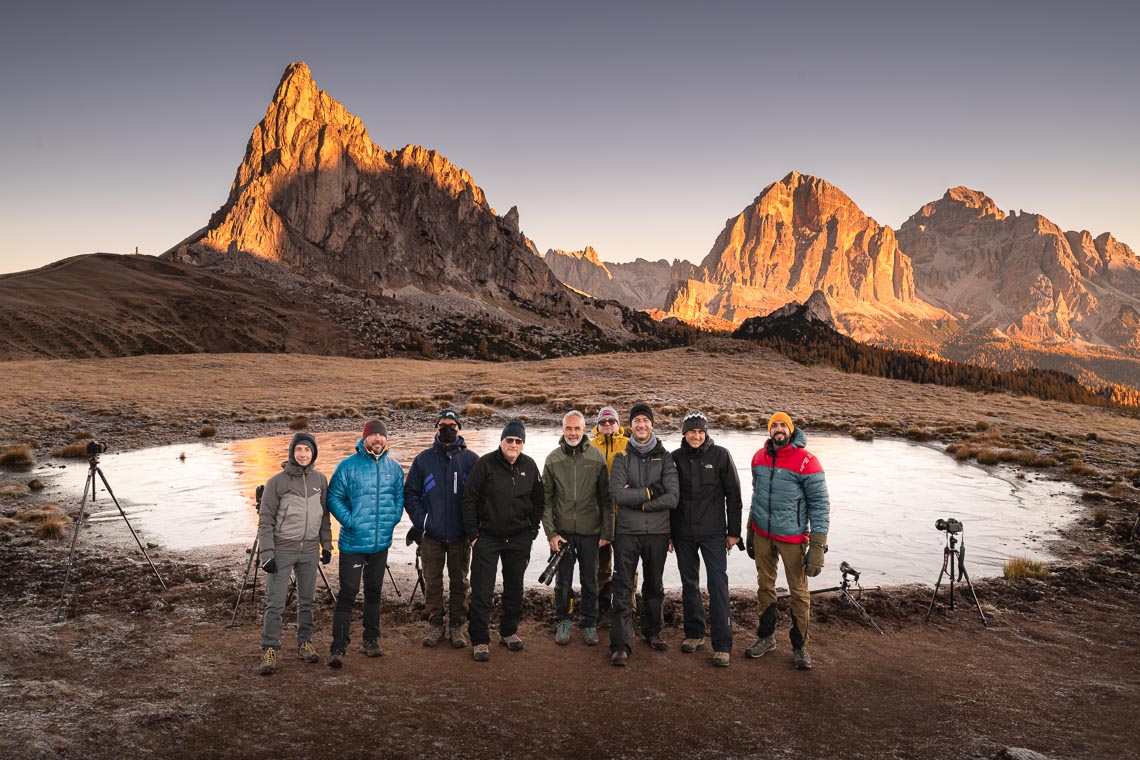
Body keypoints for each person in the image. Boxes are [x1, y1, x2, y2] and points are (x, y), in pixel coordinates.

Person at [746, 412, 830, 670]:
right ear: (769, 430)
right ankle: (766, 638)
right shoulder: (759, 457)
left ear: (791, 430)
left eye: (783, 425)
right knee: (764, 586)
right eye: (774, 425)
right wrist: (750, 529)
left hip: (793, 537)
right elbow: (756, 494)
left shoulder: (807, 461)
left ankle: (800, 647)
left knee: (799, 593)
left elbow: (820, 505)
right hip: (763, 534)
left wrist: (817, 546)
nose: (779, 429)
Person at [462, 417, 544, 662]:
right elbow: (468, 500)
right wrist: (473, 535)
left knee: (514, 589)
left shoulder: (529, 466)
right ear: (501, 441)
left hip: (519, 538)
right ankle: (479, 640)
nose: (514, 444)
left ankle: (509, 632)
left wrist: (532, 532)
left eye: (519, 441)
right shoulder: (484, 464)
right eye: (510, 440)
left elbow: (539, 501)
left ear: (523, 444)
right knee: (482, 590)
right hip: (487, 537)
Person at [326, 419, 405, 668]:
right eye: (374, 436)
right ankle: (338, 647)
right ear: (365, 439)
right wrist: (350, 521)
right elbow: (333, 498)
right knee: (348, 593)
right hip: (352, 544)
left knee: (374, 592)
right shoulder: (347, 466)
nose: (378, 439)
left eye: (382, 436)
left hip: (380, 544)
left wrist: (392, 519)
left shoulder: (394, 467)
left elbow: (398, 498)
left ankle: (371, 640)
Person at [608, 403, 679, 666]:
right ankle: (621, 644)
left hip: (658, 532)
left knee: (654, 585)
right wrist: (650, 493)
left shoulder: (666, 457)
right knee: (623, 587)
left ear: (652, 424)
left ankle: (653, 631)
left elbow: (672, 497)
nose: (641, 425)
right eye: (636, 420)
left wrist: (636, 501)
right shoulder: (622, 458)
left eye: (645, 421)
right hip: (627, 532)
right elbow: (617, 494)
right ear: (630, 426)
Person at [257, 432, 333, 675]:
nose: (303, 454)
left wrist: (327, 545)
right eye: (298, 449)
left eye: (307, 450)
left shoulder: (320, 480)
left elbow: (324, 517)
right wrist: (267, 553)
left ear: (313, 454)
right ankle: (270, 649)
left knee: (307, 600)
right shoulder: (276, 482)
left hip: (310, 549)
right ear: (291, 452)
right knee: (275, 603)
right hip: (282, 548)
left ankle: (304, 643)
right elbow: (265, 520)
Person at [671, 411, 742, 668]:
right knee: (689, 583)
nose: (696, 436)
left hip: (713, 533)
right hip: (683, 533)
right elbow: (670, 499)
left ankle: (722, 646)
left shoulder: (721, 455)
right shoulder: (675, 458)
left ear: (706, 433)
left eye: (700, 431)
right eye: (692, 431)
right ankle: (694, 634)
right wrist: (669, 534)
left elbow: (734, 495)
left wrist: (734, 531)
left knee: (718, 585)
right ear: (684, 433)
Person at [404, 409, 479, 648]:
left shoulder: (471, 459)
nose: (447, 429)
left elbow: (480, 496)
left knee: (460, 581)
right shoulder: (423, 459)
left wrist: (473, 528)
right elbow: (411, 494)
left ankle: (457, 625)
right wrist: (422, 522)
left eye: (452, 425)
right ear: (435, 429)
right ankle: (436, 624)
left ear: (459, 428)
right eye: (442, 425)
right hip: (431, 535)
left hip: (460, 535)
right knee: (433, 581)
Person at [542, 410, 614, 646]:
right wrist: (551, 533)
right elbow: (546, 501)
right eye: (568, 428)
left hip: (590, 533)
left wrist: (607, 532)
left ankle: (589, 623)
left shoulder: (596, 457)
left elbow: (606, 499)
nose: (573, 433)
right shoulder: (553, 459)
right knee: (563, 582)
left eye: (577, 428)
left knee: (590, 580)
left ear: (584, 430)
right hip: (562, 534)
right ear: (563, 430)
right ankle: (563, 620)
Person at [589, 406, 628, 613]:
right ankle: (600, 610)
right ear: (597, 425)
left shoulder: (628, 445)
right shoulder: (589, 446)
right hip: (599, 518)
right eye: (603, 422)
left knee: (626, 568)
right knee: (600, 567)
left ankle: (628, 610)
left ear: (618, 424)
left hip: (624, 517)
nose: (607, 425)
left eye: (611, 421)